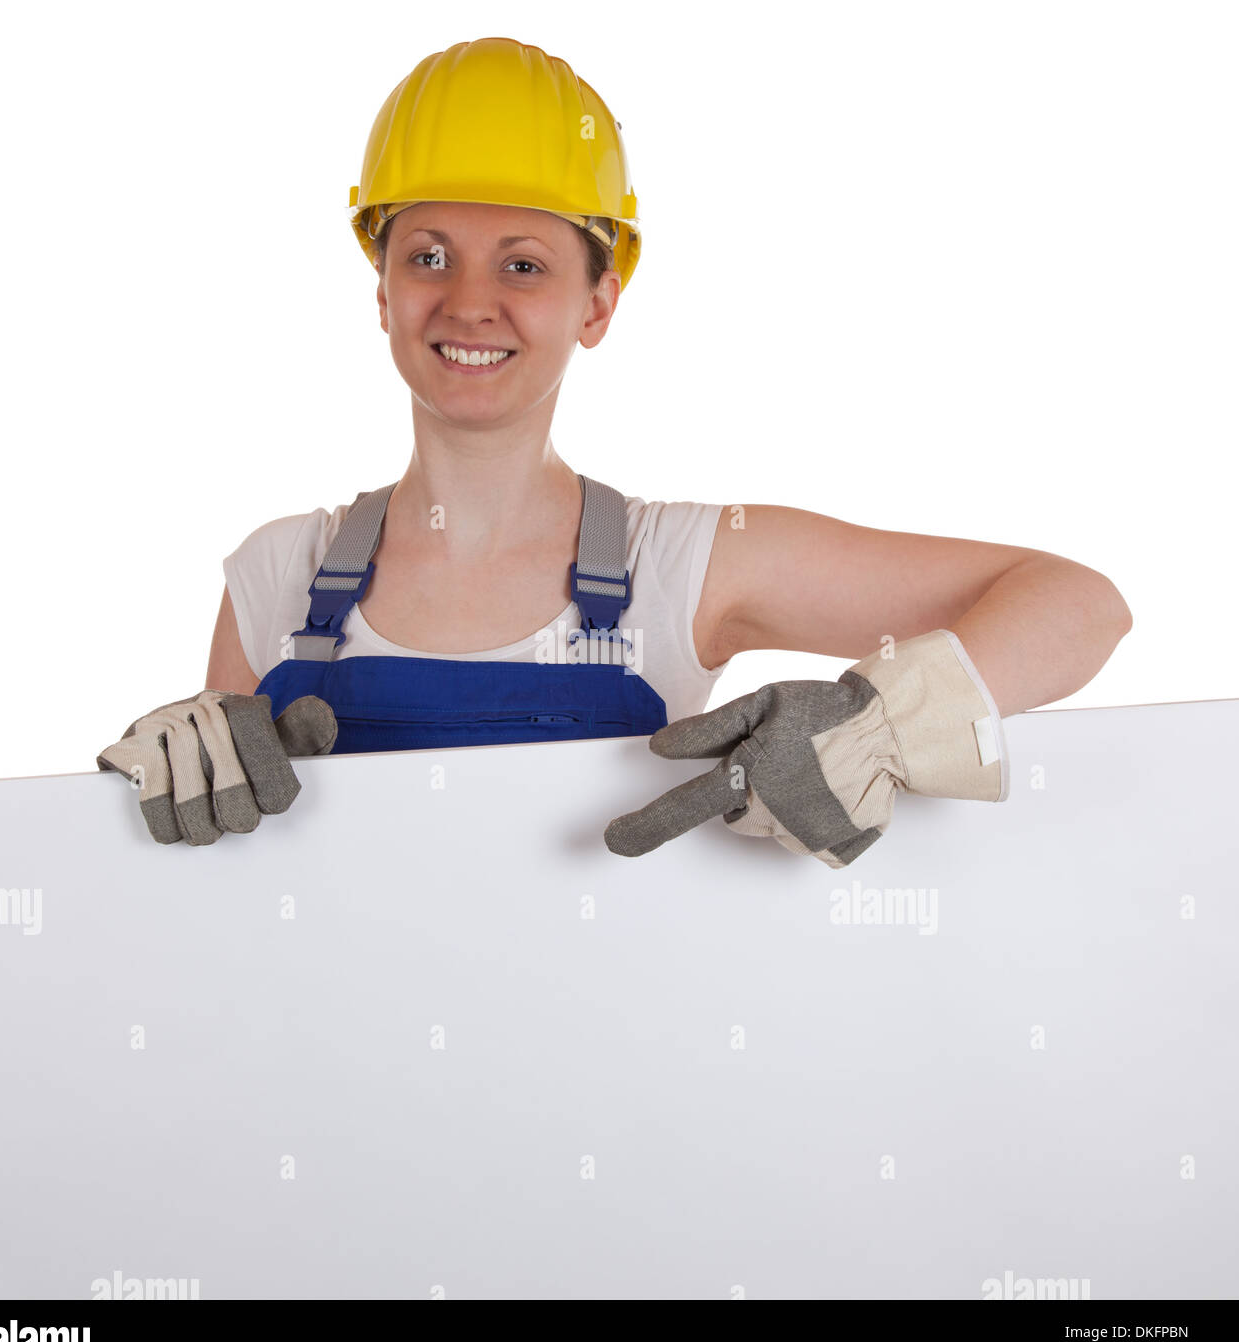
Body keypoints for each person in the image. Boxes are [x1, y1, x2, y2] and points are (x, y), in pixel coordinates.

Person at [97, 37, 1133, 862]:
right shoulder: (277, 573)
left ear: (598, 304)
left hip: (617, 1078)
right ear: (381, 291)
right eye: (427, 255)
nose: (468, 301)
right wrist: (136, 791)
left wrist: (878, 719)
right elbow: (214, 882)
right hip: (334, 1080)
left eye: (523, 264)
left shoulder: (683, 566)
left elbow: (1076, 601)